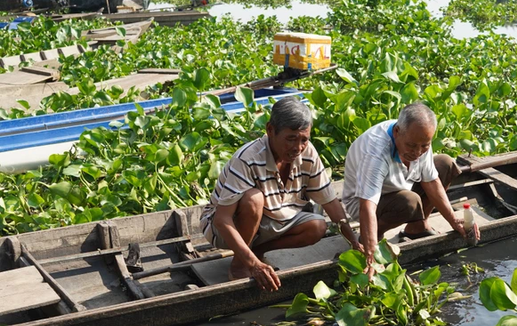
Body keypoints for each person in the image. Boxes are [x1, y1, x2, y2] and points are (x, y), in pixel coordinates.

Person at [200, 97, 360, 291]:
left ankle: (255, 250)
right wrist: (253, 265)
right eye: (290, 138)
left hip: (274, 220)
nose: (297, 148)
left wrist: (354, 242)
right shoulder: (248, 158)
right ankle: (240, 264)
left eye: (303, 139)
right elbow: (221, 219)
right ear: (270, 130)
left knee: (317, 226)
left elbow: (330, 202)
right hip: (224, 227)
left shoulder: (307, 153)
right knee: (254, 199)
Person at [341, 102, 480, 271]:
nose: (417, 152)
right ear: (397, 132)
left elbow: (431, 181)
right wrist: (371, 255)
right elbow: (367, 206)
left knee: (445, 164)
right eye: (411, 146)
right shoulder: (376, 152)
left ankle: (417, 227)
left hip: (399, 187)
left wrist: (453, 220)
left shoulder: (419, 138)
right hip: (361, 201)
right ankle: (370, 240)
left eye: (425, 146)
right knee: (409, 202)